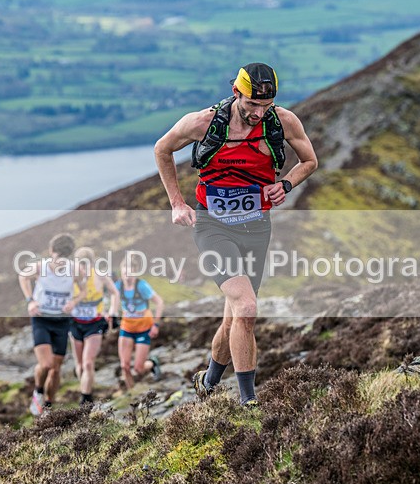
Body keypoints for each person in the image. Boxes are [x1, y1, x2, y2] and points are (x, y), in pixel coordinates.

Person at [154, 62, 317, 405]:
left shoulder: (283, 122)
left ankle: (208, 382)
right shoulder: (203, 122)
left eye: (266, 105)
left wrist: (286, 184)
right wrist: (177, 203)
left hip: (256, 226)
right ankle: (249, 402)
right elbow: (162, 149)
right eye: (252, 104)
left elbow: (309, 161)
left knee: (235, 317)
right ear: (235, 93)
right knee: (247, 307)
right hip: (211, 226)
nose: (259, 112)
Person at [18, 233, 86, 416]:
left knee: (56, 369)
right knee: (46, 364)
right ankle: (38, 392)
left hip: (62, 321)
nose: (60, 262)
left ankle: (48, 406)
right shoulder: (41, 267)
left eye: (64, 257)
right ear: (51, 252)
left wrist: (74, 302)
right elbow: (23, 277)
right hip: (42, 319)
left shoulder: (75, 270)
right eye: (58, 257)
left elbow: (84, 290)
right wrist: (30, 301)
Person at [69, 247, 121, 406]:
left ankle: (85, 400)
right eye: (81, 264)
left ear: (92, 263)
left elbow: (115, 293)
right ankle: (87, 391)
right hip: (75, 323)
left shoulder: (99, 275)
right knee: (79, 366)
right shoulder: (70, 277)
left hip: (95, 324)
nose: (84, 268)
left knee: (88, 363)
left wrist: (113, 312)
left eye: (87, 264)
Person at [114, 258, 164, 391]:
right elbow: (111, 299)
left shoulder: (142, 286)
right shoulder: (118, 286)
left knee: (138, 369)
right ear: (121, 272)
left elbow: (159, 302)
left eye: (131, 273)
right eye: (125, 273)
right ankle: (131, 393)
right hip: (127, 328)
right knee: (124, 366)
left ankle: (152, 363)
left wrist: (156, 325)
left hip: (144, 328)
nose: (128, 276)